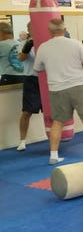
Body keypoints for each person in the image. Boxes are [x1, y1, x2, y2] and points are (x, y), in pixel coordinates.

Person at [33, 18, 83, 164]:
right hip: (79, 86)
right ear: (64, 29)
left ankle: (53, 156)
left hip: (57, 88)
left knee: (58, 122)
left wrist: (54, 66)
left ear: (50, 31)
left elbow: (37, 68)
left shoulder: (43, 47)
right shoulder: (75, 44)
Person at [16, 22, 42, 152]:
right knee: (26, 111)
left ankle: (54, 138)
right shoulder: (23, 43)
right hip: (31, 79)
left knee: (52, 112)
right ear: (28, 30)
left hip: (45, 79)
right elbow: (20, 58)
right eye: (31, 29)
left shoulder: (46, 42)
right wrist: (28, 46)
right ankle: (22, 141)